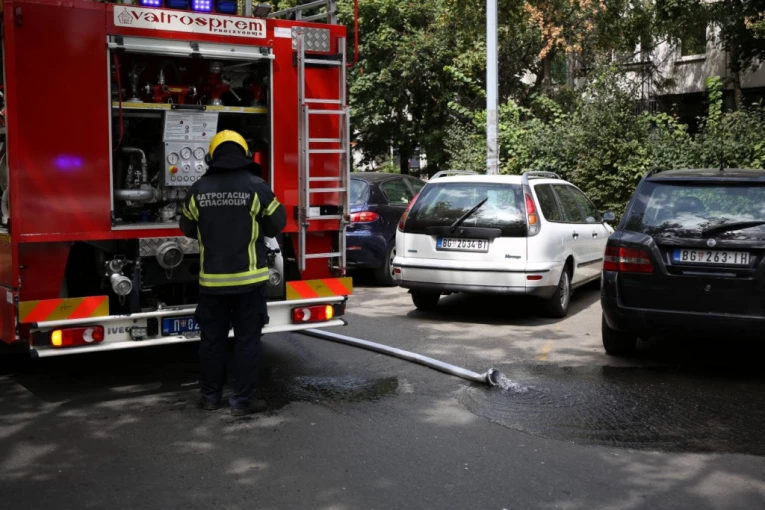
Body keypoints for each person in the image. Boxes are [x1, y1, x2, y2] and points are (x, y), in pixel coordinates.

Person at [180, 130, 286, 416]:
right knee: (246, 342)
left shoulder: (198, 189)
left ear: (212, 157)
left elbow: (187, 228)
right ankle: (242, 401)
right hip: (249, 283)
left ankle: (210, 398)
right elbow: (277, 223)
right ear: (245, 155)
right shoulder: (257, 187)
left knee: (212, 342)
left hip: (212, 284)